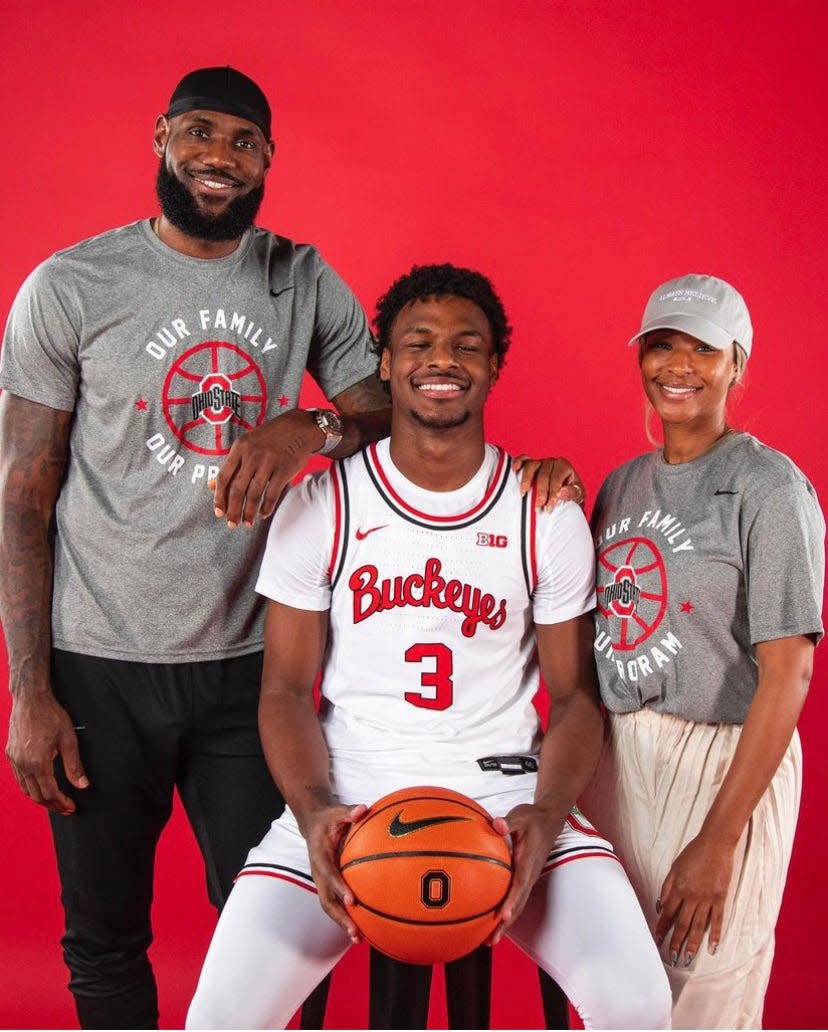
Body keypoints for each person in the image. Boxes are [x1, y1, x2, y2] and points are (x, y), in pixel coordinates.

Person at [0, 65, 397, 1030]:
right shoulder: (72, 284)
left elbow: (388, 416)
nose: (220, 158)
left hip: (251, 670)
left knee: (288, 926)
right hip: (98, 664)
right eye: (201, 134)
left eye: (244, 142)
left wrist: (310, 426)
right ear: (161, 137)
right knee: (103, 937)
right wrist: (29, 690)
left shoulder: (298, 277)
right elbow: (23, 491)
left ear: (268, 159)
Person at [185, 263, 672, 1030]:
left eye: (465, 345)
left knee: (641, 1005)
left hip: (503, 798)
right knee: (216, 1020)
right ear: (385, 362)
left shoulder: (541, 511)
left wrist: (548, 814)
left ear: (492, 366)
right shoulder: (324, 504)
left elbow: (576, 700)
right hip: (353, 793)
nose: (441, 360)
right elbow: (283, 691)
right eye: (419, 342)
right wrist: (313, 811)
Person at [583, 273, 825, 1029]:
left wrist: (718, 841)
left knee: (703, 992)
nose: (678, 365)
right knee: (621, 991)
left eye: (702, 348)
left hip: (720, 757)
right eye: (661, 345)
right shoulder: (621, 487)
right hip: (619, 758)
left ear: (736, 364)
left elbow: (791, 670)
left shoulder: (768, 487)